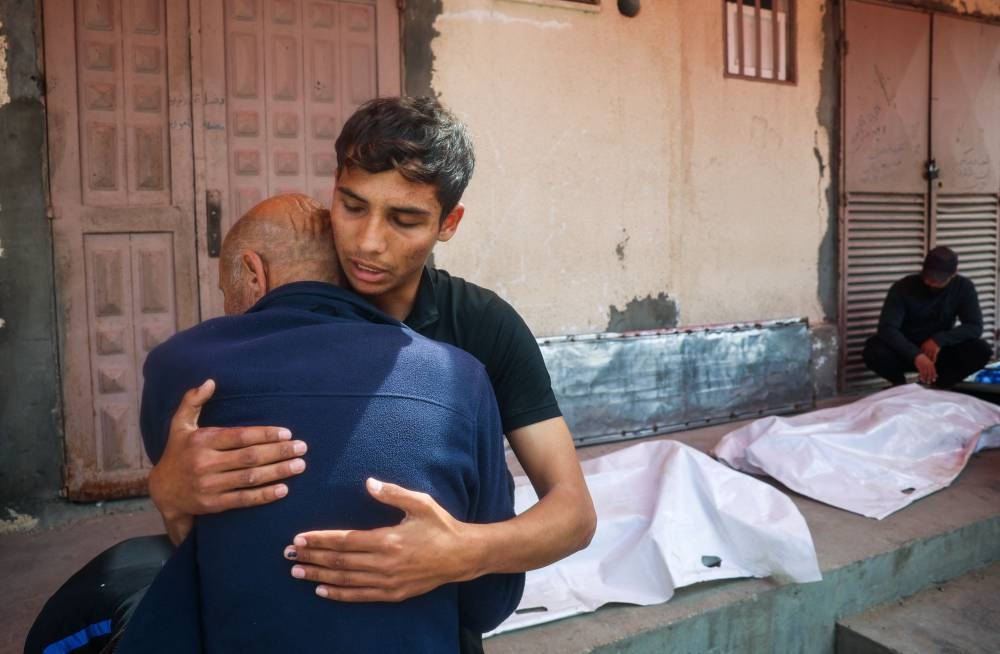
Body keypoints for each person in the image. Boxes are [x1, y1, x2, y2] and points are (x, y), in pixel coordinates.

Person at [26, 97, 593, 654]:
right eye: (352, 206)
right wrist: (169, 489)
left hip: (427, 609)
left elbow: (573, 512)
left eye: (405, 219)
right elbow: (204, 527)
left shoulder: (483, 329)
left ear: (449, 224)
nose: (369, 242)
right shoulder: (288, 304)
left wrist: (460, 551)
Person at [118, 193, 523, 652]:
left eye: (225, 291)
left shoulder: (180, 366)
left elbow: (188, 527)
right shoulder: (460, 376)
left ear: (254, 273)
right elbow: (491, 603)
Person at [862, 245, 992, 388]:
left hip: (940, 351)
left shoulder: (963, 287)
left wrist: (939, 340)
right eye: (928, 277)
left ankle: (940, 384)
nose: (930, 282)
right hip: (905, 349)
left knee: (981, 349)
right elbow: (887, 328)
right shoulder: (902, 287)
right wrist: (916, 355)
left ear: (953, 274)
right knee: (873, 350)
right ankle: (900, 385)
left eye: (938, 280)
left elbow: (974, 326)